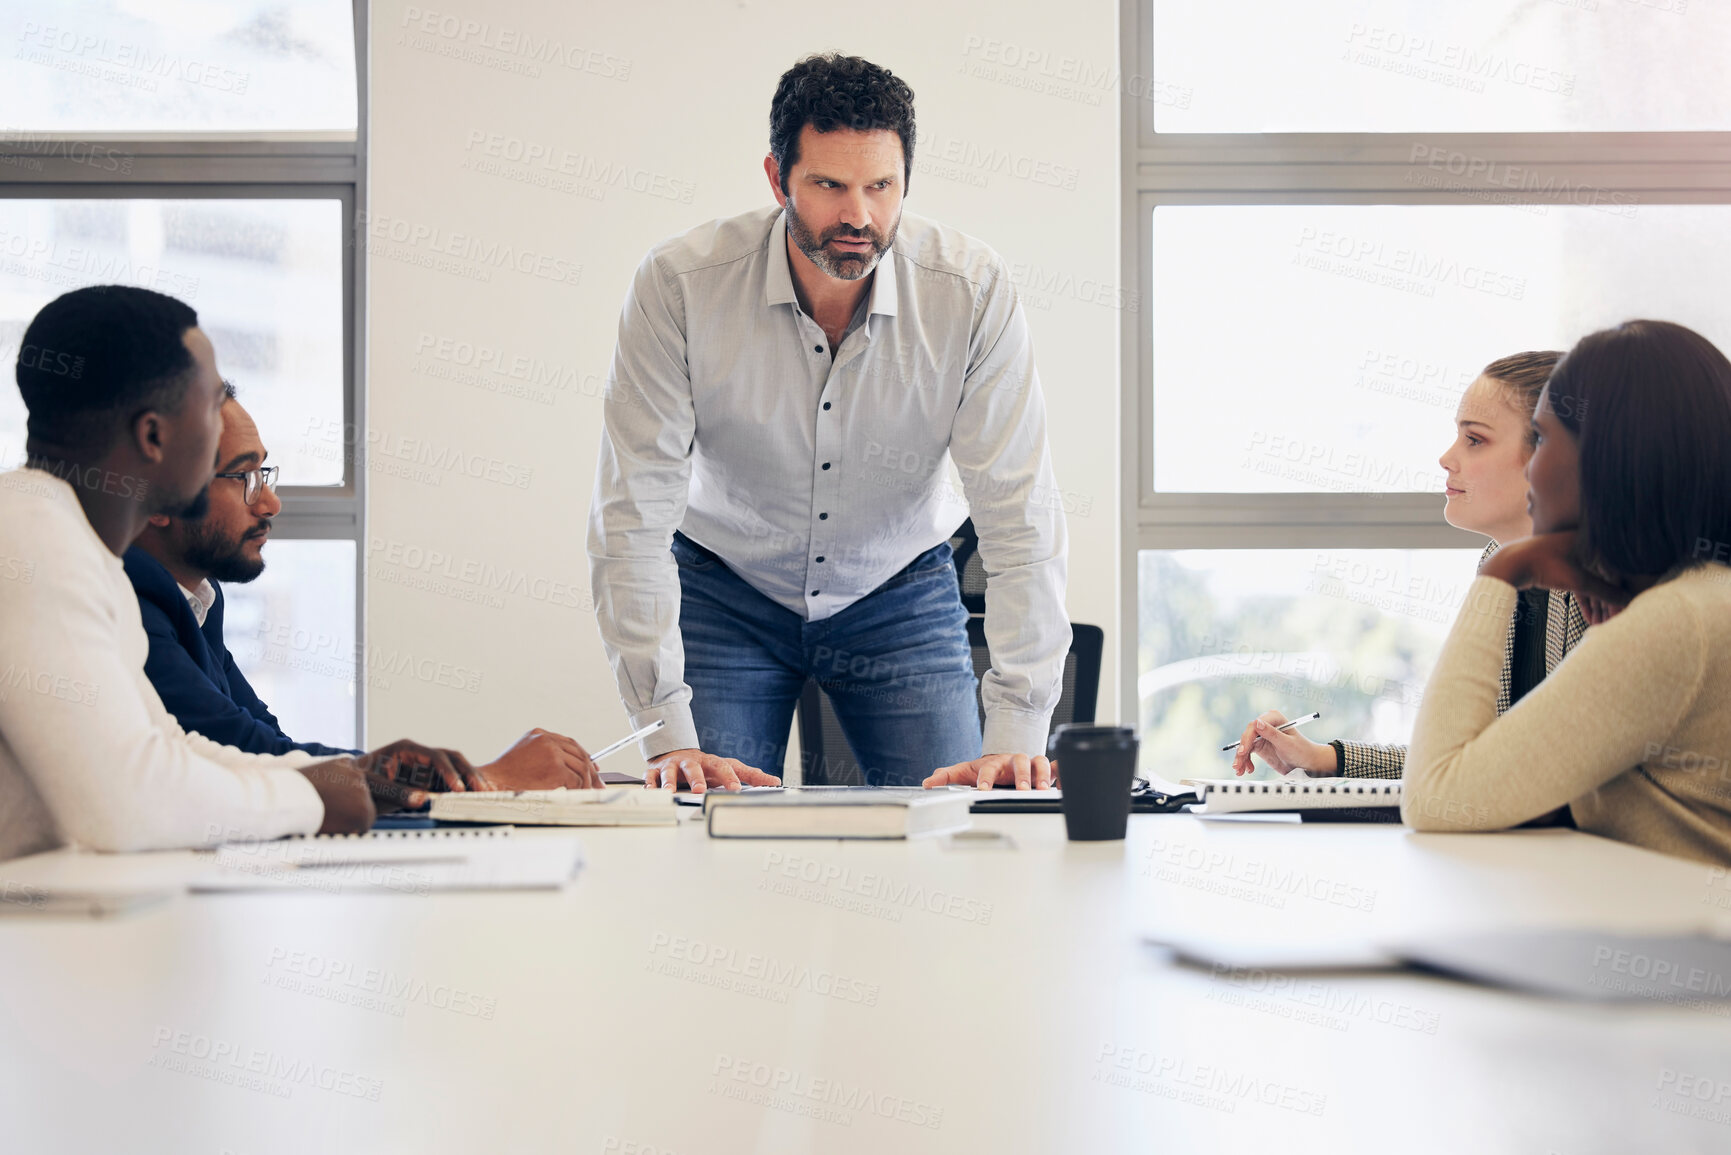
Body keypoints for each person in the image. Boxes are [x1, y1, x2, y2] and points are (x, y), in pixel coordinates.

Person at [588, 54, 1069, 793]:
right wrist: (663, 733)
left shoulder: (971, 293)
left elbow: (1019, 511)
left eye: (881, 186)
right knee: (700, 823)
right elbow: (632, 512)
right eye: (828, 186)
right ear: (777, 178)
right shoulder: (679, 286)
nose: (858, 217)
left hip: (898, 588)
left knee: (950, 827)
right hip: (724, 588)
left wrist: (1017, 732)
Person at [4, 286, 458, 860]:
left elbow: (170, 750)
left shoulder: (82, 550)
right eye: (211, 404)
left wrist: (358, 781)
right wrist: (312, 801)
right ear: (154, 436)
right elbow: (127, 802)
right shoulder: (34, 538)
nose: (224, 429)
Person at [124, 385, 602, 788]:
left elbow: (272, 746)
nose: (270, 502)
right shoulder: (132, 606)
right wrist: (483, 782)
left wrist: (461, 780)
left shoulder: (198, 599)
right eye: (243, 477)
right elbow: (248, 757)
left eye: (262, 474)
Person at [1404, 320, 1731, 865]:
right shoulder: (1694, 594)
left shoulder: (1677, 618)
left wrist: (1502, 572)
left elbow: (1437, 798)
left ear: (1605, 457)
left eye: (1544, 437)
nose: (1534, 465)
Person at [1230, 351, 1588, 779]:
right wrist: (1324, 758)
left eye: (1474, 440)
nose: (1446, 458)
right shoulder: (1499, 562)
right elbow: (1468, 759)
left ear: (1549, 455)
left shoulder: (1598, 582)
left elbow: (1549, 772)